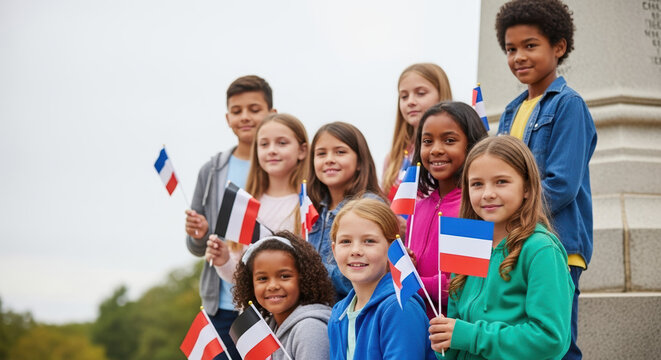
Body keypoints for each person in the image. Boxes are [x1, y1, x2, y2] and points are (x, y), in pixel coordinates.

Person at [495, 1, 597, 358]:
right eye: (511, 49)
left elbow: (561, 185)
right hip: (517, 244)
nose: (519, 56)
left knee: (556, 344)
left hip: (557, 245)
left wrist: (511, 224)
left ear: (559, 47)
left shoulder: (569, 106)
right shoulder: (510, 111)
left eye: (530, 45)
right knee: (521, 338)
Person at [429, 135, 574, 359]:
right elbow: (457, 330)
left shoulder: (540, 249)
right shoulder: (466, 242)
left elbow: (550, 339)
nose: (488, 193)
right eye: (477, 184)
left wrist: (471, 336)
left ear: (526, 187)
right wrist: (446, 342)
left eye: (501, 182)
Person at [184, 75, 275, 360]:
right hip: (222, 304)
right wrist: (199, 234)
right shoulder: (212, 171)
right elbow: (197, 247)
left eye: (254, 109)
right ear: (227, 118)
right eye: (237, 111)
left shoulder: (279, 163)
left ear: (271, 113)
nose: (245, 117)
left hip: (269, 303)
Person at [206, 113, 310, 287]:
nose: (272, 150)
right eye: (264, 144)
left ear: (302, 150)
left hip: (299, 310)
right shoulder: (243, 204)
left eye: (282, 143)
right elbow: (240, 276)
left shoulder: (309, 204)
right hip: (257, 308)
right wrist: (223, 260)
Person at [405, 102, 487, 319]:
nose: (436, 149)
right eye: (427, 141)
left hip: (451, 338)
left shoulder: (473, 208)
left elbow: (457, 287)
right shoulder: (417, 207)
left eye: (449, 140)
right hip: (415, 328)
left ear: (472, 145)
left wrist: (407, 282)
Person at [328, 198, 436, 360]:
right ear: (334, 250)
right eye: (346, 241)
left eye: (369, 241)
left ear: (393, 248)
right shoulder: (339, 312)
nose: (355, 250)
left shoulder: (400, 307)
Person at [307, 122, 384, 300]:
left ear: (359, 162)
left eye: (340, 152)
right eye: (321, 153)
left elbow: (356, 276)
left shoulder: (369, 206)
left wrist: (308, 270)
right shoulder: (313, 209)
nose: (329, 159)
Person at [231, 231, 335, 360]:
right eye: (263, 278)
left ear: (303, 278)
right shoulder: (269, 325)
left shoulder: (310, 329)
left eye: (285, 276)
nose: (273, 286)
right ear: (250, 284)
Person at [382, 63, 452, 200]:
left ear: (441, 95)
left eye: (420, 93)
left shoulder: (449, 152)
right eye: (404, 96)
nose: (410, 102)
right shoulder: (393, 159)